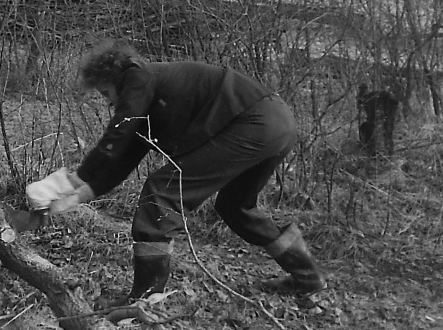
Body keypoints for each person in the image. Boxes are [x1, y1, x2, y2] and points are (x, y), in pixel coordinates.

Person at [26, 39, 325, 303]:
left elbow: (118, 132)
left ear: (114, 78)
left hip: (255, 120)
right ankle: (307, 280)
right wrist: (74, 198)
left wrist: (73, 178)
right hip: (277, 122)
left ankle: (145, 297)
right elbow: (122, 159)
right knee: (236, 207)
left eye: (106, 93)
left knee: (162, 191)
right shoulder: (148, 101)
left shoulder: (137, 75)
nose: (110, 102)